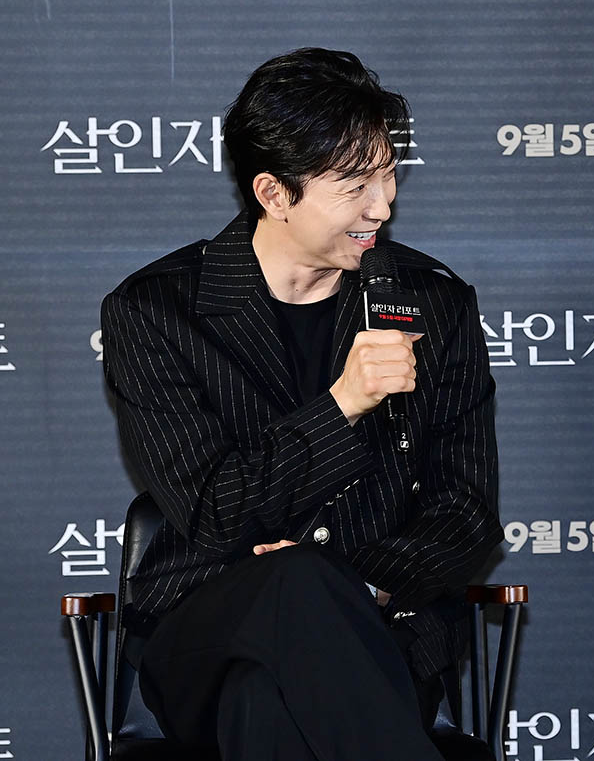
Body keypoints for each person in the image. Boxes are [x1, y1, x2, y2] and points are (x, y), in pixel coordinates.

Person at [101, 48, 501, 760]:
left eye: (388, 174)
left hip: (381, 634)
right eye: (354, 184)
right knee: (290, 584)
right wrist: (344, 403)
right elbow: (215, 513)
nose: (383, 206)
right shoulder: (159, 312)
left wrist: (355, 585)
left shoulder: (431, 304)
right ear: (274, 193)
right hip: (206, 630)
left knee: (266, 704)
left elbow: (466, 509)